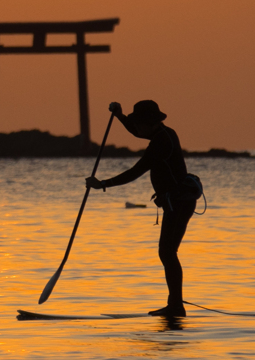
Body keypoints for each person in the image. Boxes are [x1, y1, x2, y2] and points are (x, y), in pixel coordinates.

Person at [86, 99, 200, 317]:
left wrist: (103, 184)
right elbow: (136, 131)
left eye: (138, 123)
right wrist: (119, 116)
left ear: (149, 123)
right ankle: (175, 304)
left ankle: (176, 306)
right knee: (167, 252)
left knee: (167, 252)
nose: (136, 128)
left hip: (180, 202)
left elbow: (135, 171)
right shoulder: (161, 133)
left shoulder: (161, 142)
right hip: (174, 202)